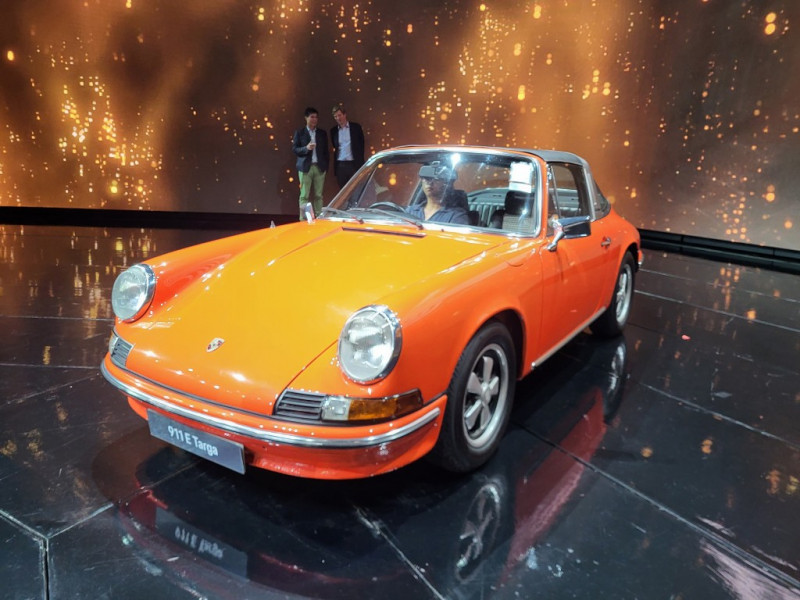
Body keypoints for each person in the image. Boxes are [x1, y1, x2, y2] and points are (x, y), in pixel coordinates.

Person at [292, 107, 329, 218]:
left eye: (316, 117)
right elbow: (295, 149)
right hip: (305, 168)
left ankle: (319, 218)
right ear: (306, 118)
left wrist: (325, 166)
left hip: (319, 167)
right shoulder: (300, 132)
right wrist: (306, 148)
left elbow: (326, 151)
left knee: (318, 195)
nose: (314, 119)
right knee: (304, 195)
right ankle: (303, 219)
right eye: (312, 117)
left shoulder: (322, 133)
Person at [405, 162, 470, 224]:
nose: (429, 183)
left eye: (436, 179)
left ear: (447, 184)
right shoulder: (410, 211)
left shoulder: (456, 216)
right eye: (426, 178)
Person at [329, 104, 365, 189]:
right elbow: (335, 147)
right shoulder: (333, 131)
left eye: (339, 115)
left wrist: (359, 160)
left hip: (354, 164)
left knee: (356, 189)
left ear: (345, 114)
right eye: (335, 116)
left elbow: (361, 144)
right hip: (340, 165)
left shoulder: (356, 127)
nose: (338, 118)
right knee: (343, 191)